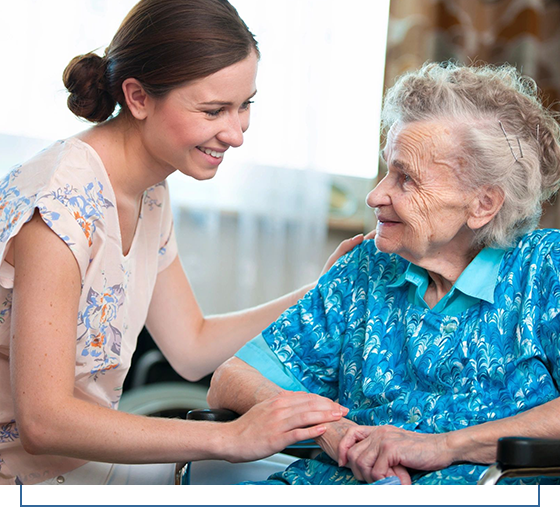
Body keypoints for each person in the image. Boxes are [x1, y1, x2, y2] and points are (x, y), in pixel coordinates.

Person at [0, 0, 366, 486]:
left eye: (245, 105)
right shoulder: (60, 209)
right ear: (137, 97)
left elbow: (191, 345)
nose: (235, 134)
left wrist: (321, 290)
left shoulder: (149, 188)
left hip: (77, 473)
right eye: (213, 110)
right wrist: (231, 437)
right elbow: (44, 423)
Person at [208, 61, 560, 486]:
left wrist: (441, 446)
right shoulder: (366, 267)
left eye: (406, 179)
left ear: (483, 204)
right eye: (387, 169)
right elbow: (232, 379)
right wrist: (333, 432)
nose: (377, 195)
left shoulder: (545, 270)